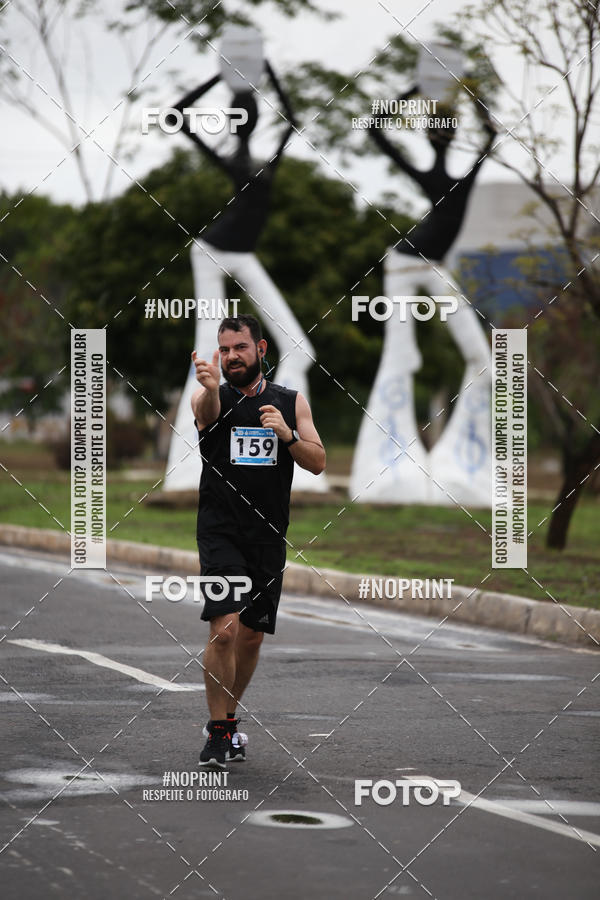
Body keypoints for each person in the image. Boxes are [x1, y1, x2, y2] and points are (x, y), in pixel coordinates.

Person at [191, 314, 326, 768]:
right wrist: (210, 389)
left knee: (249, 639)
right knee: (224, 629)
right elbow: (204, 416)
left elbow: (319, 461)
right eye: (224, 350)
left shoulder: (290, 402)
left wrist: (286, 435)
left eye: (239, 349)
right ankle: (217, 734)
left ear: (261, 350)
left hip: (267, 536)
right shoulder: (211, 397)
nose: (230, 357)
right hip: (220, 532)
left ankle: (228, 721)